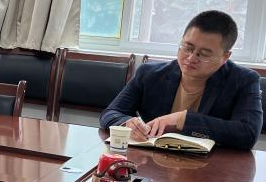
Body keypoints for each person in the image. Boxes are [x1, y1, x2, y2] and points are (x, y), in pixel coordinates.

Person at [100, 10, 262, 150]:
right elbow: (110, 113)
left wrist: (184, 119)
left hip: (209, 167)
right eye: (187, 47)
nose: (191, 58)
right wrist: (128, 123)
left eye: (204, 54)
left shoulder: (244, 80)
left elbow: (248, 134)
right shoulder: (150, 74)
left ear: (225, 56)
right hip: (152, 162)